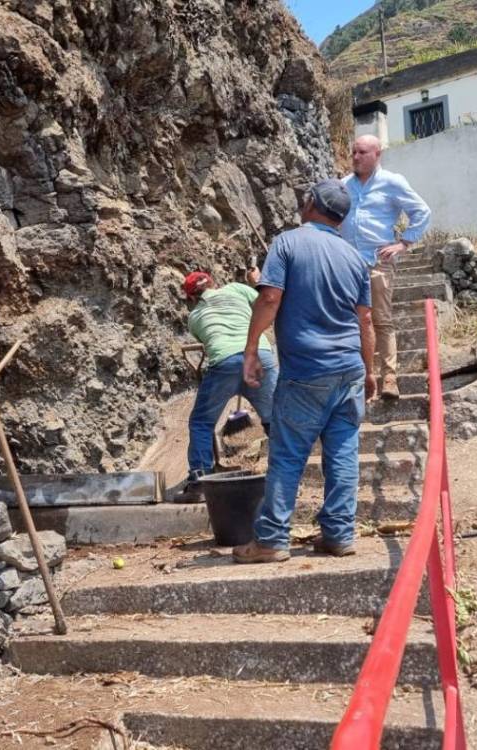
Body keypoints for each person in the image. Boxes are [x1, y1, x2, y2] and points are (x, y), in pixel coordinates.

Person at [234, 179, 375, 564]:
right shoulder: (355, 258)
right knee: (344, 453)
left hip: (306, 371)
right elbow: (365, 322)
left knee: (288, 454)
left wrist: (250, 349)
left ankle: (272, 539)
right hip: (350, 370)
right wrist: (371, 371)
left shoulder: (287, 243)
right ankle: (339, 534)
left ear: (311, 203)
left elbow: (270, 297)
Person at [341, 135, 431, 400]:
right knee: (353, 320)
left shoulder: (392, 182)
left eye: (362, 152)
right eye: (353, 152)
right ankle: (360, 376)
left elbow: (422, 212)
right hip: (347, 262)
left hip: (378, 261)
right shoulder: (344, 184)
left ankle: (389, 377)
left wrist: (403, 243)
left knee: (379, 318)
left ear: (377, 154)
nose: (356, 157)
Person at [178, 268, 278, 500]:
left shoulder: (194, 317)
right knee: (274, 419)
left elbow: (207, 339)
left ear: (192, 298)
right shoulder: (236, 289)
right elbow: (265, 303)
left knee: (202, 422)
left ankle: (200, 482)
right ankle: (283, 476)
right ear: (213, 283)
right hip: (260, 355)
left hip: (224, 361)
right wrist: (258, 281)